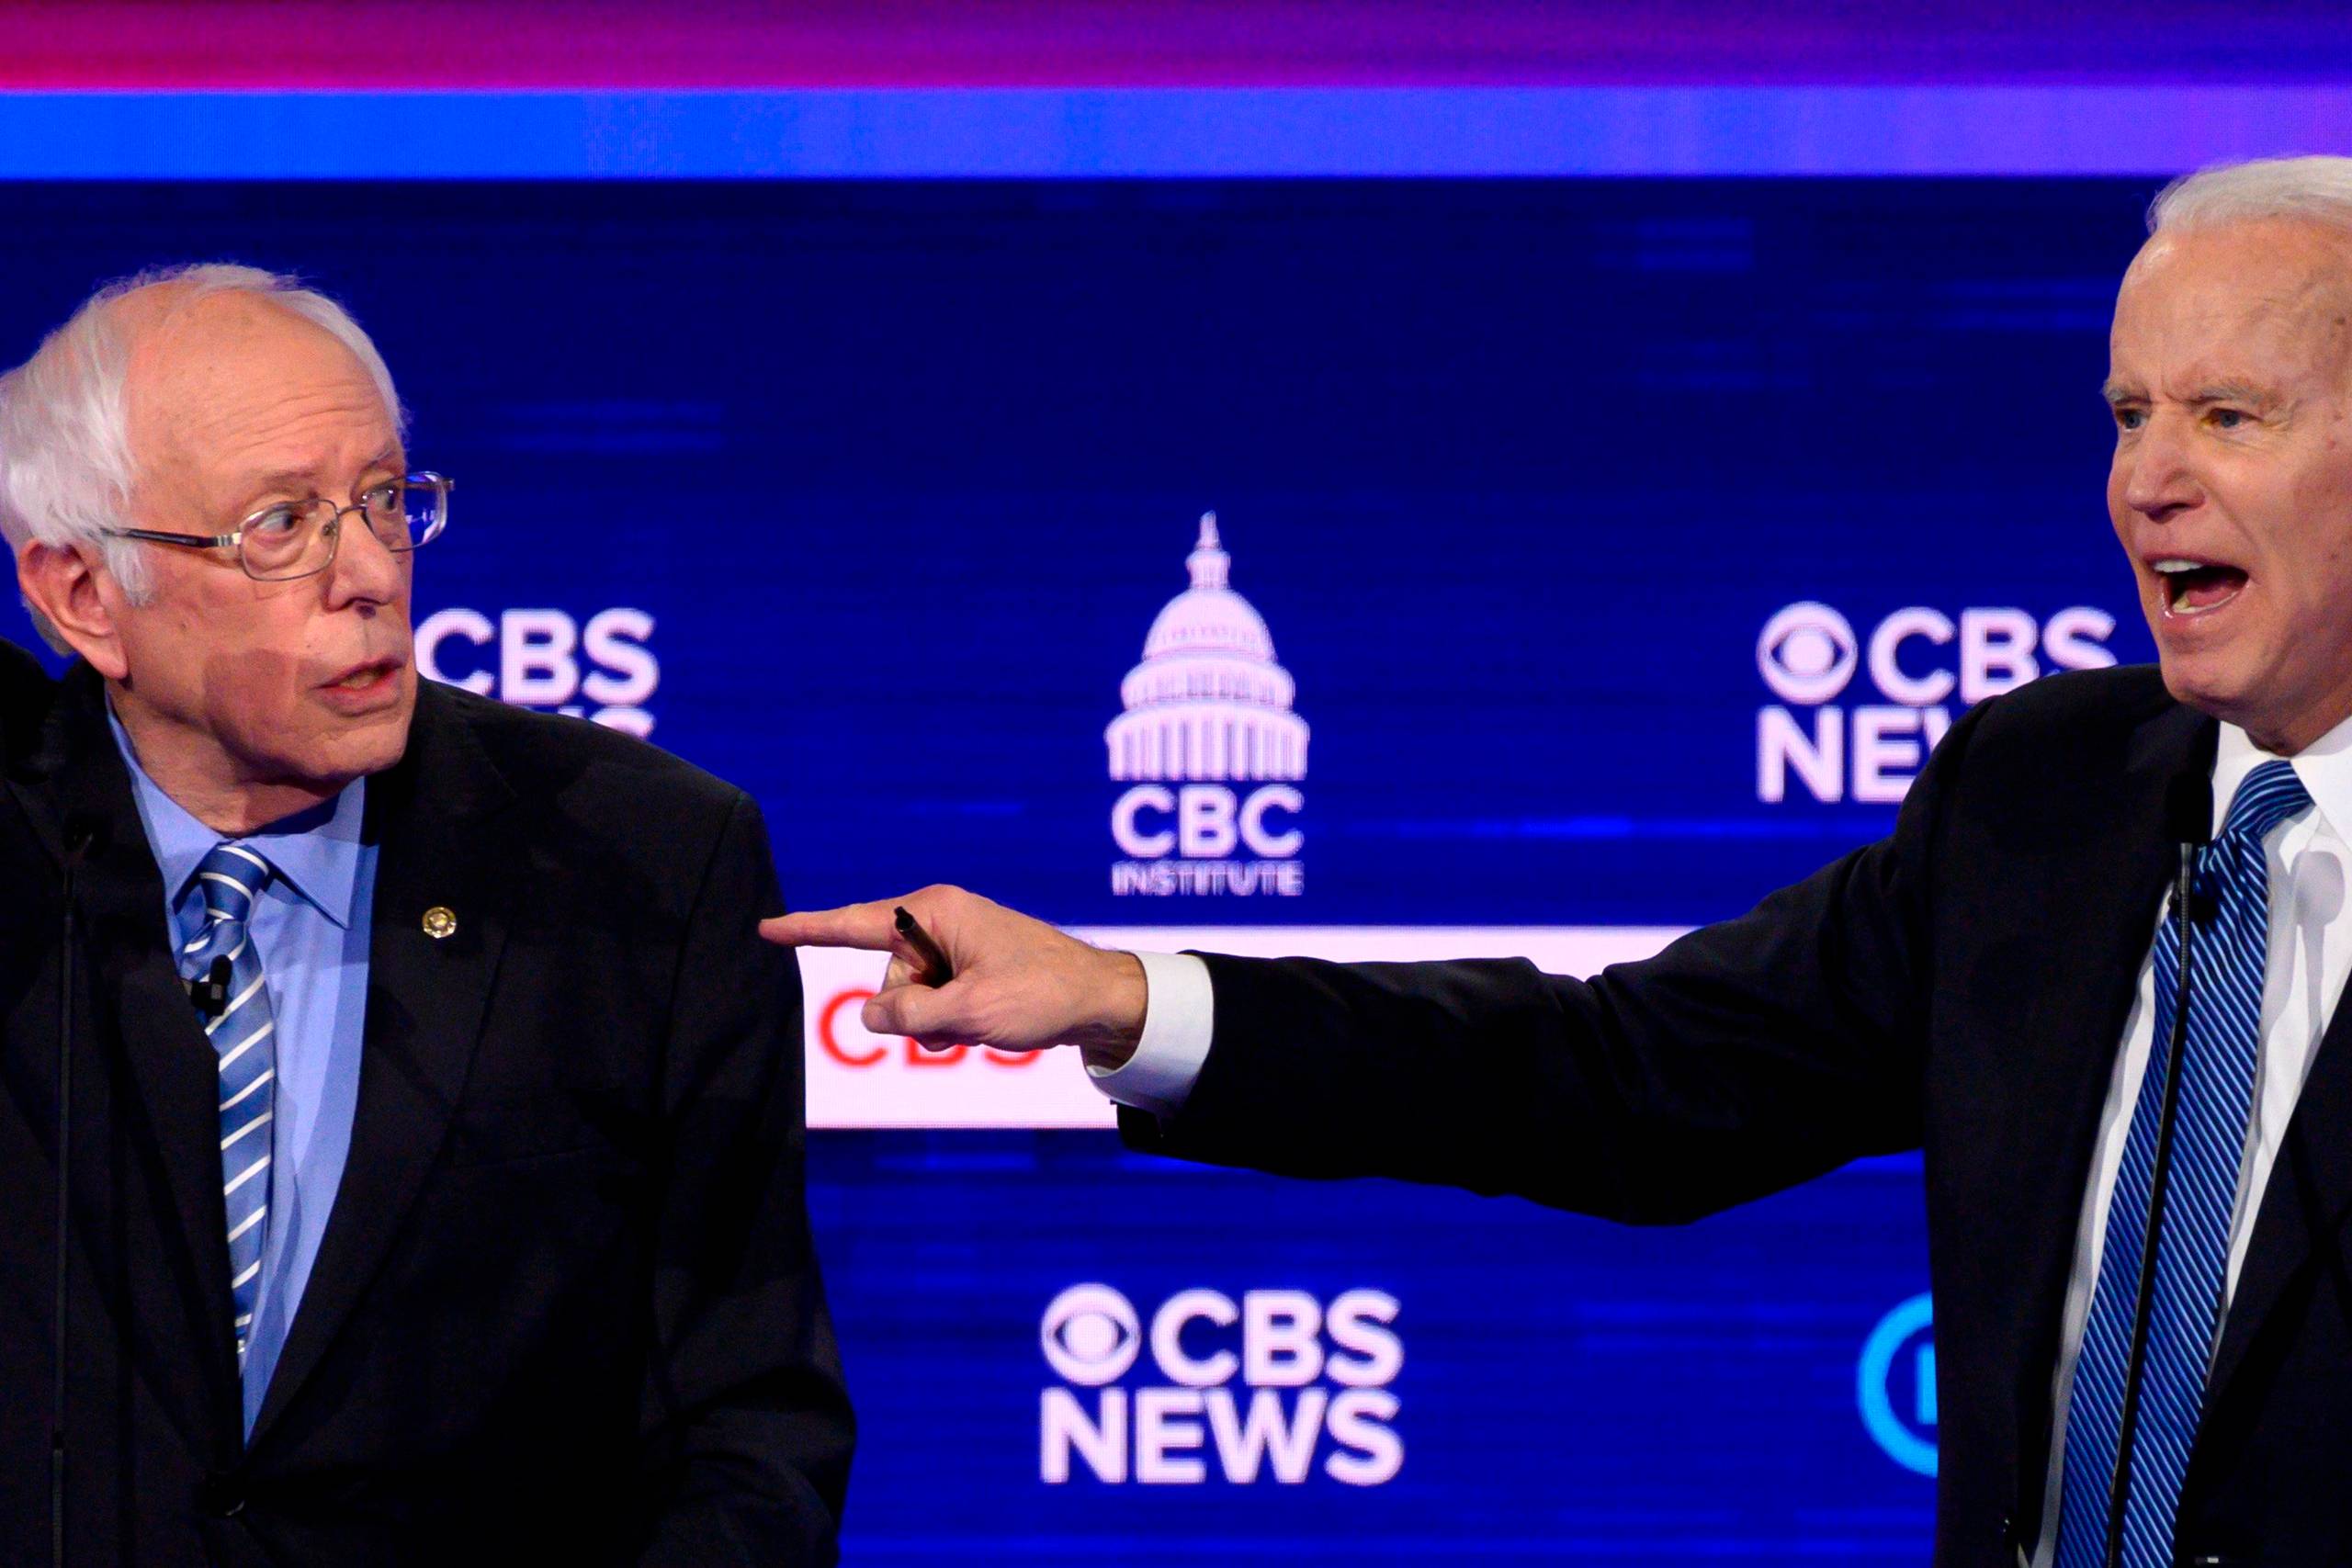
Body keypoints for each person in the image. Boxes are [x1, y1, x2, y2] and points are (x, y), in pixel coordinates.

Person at [764, 154, 2352, 1566]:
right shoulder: (2039, 798)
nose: (2148, 480)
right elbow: (1617, 1072)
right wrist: (1129, 997)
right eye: (2129, 414)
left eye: (2229, 417)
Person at [0, 265, 852, 1563]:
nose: (367, 575)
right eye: (278, 525)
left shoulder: (643, 867)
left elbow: (744, 1433)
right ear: (81, 598)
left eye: (386, 501)